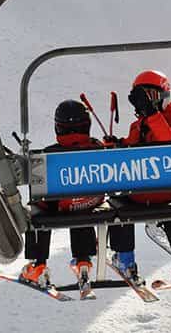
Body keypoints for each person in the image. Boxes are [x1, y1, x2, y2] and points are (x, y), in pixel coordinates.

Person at [105, 70, 171, 284]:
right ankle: (126, 260)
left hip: (162, 192)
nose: (143, 103)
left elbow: (166, 139)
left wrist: (151, 113)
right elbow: (131, 146)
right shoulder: (138, 126)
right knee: (118, 208)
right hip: (140, 191)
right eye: (140, 98)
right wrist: (117, 144)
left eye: (149, 97)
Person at [20, 99, 105, 288]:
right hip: (90, 203)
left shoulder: (49, 155)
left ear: (59, 128)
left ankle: (38, 264)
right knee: (82, 208)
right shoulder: (98, 148)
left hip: (59, 207)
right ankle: (83, 261)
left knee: (36, 210)